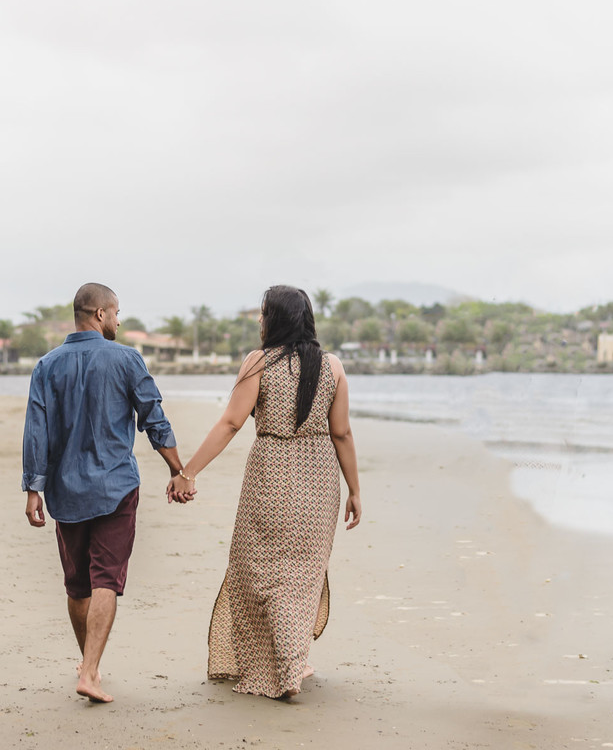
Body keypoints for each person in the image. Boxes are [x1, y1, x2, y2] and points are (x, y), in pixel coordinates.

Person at [169, 284, 362, 698]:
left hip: (270, 476)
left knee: (258, 570)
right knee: (301, 575)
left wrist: (189, 472)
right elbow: (342, 433)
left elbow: (231, 423)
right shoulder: (333, 367)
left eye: (263, 313)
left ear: (275, 319)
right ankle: (293, 663)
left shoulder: (259, 363)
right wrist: (354, 490)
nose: (259, 321)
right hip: (319, 480)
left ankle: (280, 668)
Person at [22, 282, 189, 703]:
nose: (118, 320)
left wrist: (33, 490)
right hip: (116, 487)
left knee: (77, 584)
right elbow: (155, 419)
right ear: (99, 314)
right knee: (106, 579)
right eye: (116, 313)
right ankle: (91, 670)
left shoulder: (47, 365)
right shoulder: (128, 359)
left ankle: (88, 665)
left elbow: (35, 433)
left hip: (66, 491)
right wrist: (179, 471)